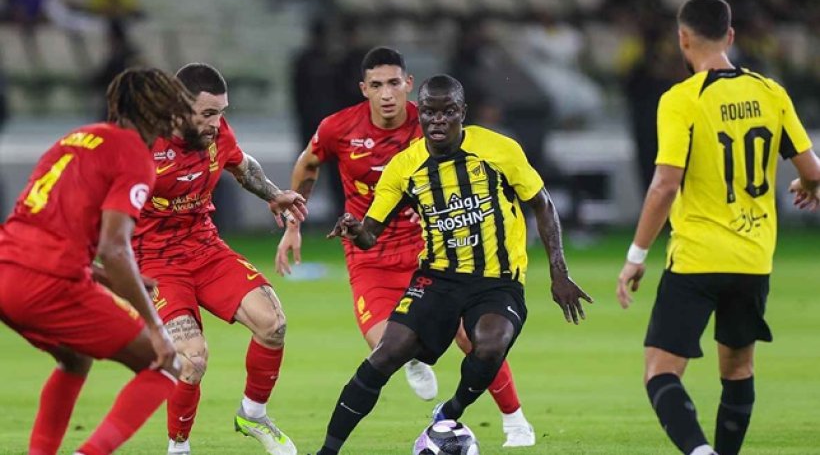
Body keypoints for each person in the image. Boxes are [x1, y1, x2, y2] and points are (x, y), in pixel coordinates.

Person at [313, 74, 592, 455]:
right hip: (438, 278)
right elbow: (370, 234)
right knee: (387, 354)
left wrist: (560, 272)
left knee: (490, 344)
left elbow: (541, 203)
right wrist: (354, 229)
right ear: (420, 116)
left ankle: (451, 411)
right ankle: (327, 451)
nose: (438, 120)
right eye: (430, 112)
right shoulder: (405, 167)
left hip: (497, 279)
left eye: (448, 112)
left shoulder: (499, 149)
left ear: (463, 112)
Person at [277, 47, 537, 447]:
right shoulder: (337, 128)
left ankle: (514, 419)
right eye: (377, 85)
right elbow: (308, 165)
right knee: (385, 346)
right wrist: (294, 225)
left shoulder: (433, 120)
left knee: (474, 337)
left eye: (394, 83)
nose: (386, 94)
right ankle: (415, 357)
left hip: (427, 249)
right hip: (370, 251)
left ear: (408, 85)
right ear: (364, 89)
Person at [616, 0, 820, 455]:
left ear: (683, 38)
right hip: (753, 258)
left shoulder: (681, 99)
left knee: (660, 371)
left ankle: (699, 451)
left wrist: (636, 255)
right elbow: (812, 169)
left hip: (697, 257)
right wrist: (808, 185)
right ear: (730, 36)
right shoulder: (770, 92)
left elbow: (665, 185)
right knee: (738, 370)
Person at [0, 67, 192, 455]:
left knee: (75, 359)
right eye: (172, 106)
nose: (177, 116)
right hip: (47, 285)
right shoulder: (134, 156)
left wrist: (107, 278)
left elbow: (50, 229)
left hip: (6, 268)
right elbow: (115, 248)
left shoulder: (75, 138)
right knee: (166, 362)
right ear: (156, 109)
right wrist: (156, 326)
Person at [132, 63, 307, 455]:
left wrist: (274, 194)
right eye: (208, 113)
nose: (217, 122)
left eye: (221, 112)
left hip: (205, 248)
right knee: (193, 359)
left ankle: (253, 415)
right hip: (156, 263)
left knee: (273, 324)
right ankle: (178, 446)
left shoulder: (216, 133)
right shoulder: (143, 143)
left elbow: (242, 165)